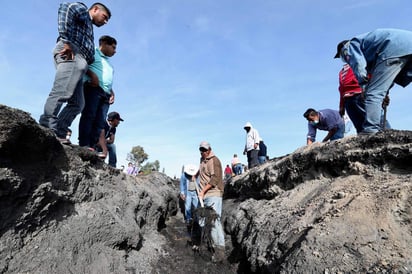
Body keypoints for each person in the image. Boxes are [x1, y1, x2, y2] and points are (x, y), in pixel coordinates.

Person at [39, 2, 111, 144]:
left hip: (80, 60)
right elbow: (67, 8)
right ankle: (47, 125)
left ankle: (60, 130)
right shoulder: (82, 10)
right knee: (62, 91)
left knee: (78, 103)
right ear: (95, 9)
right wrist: (66, 42)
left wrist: (90, 73)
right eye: (105, 17)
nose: (105, 21)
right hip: (72, 52)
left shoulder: (88, 26)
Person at [334, 28, 412, 134]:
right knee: (378, 93)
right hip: (406, 47)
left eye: (342, 57)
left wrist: (363, 86)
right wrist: (385, 93)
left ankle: (371, 131)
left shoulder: (349, 46)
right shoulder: (369, 48)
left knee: (372, 94)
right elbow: (388, 76)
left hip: (393, 49)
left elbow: (359, 65)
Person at [78, 35, 117, 149]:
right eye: (113, 47)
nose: (115, 51)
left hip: (106, 94)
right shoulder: (92, 52)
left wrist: (112, 92)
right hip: (93, 88)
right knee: (89, 115)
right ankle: (84, 144)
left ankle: (92, 146)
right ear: (104, 43)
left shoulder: (108, 63)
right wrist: (91, 75)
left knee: (100, 122)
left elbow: (106, 79)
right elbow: (81, 63)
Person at [338, 64, 391, 133]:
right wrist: (342, 105)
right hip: (354, 97)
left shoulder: (346, 69)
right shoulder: (345, 70)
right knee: (366, 125)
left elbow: (373, 75)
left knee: (368, 124)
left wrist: (342, 106)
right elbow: (341, 88)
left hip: (355, 97)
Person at [197, 141, 225, 263]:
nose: (203, 152)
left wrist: (203, 191)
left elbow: (215, 179)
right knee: (205, 221)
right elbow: (203, 175)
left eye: (205, 150)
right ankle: (211, 244)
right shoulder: (202, 160)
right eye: (201, 150)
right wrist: (195, 175)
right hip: (204, 195)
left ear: (209, 150)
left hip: (213, 194)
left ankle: (219, 251)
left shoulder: (214, 160)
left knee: (214, 222)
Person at [179, 164, 200, 230]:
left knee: (196, 206)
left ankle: (196, 219)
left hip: (195, 192)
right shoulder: (184, 175)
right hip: (188, 192)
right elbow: (182, 184)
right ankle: (188, 219)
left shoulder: (197, 175)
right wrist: (182, 193)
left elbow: (199, 183)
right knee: (188, 206)